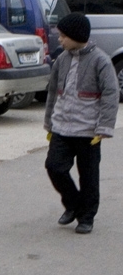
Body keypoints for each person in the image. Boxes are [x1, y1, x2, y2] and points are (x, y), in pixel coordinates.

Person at [44, 12, 119, 234]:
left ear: (77, 35)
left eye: (63, 36)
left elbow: (110, 95)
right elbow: (52, 92)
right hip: (62, 128)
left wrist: (104, 127)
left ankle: (87, 217)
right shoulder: (62, 59)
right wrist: (49, 121)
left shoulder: (101, 61)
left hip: (89, 131)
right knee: (54, 167)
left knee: (88, 176)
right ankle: (73, 205)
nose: (60, 39)